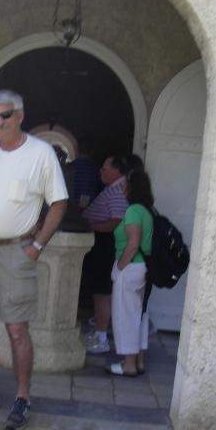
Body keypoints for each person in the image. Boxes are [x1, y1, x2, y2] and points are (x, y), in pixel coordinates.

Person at [0, 90, 68, 430]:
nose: (0, 122)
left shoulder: (41, 154)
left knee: (17, 329)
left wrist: (37, 245)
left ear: (20, 115)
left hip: (17, 251)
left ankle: (23, 398)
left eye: (6, 115)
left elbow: (59, 203)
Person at [106, 169, 154, 376]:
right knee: (139, 315)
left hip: (130, 267)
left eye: (125, 185)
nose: (122, 189)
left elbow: (133, 243)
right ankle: (138, 361)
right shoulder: (148, 211)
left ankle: (129, 364)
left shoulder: (133, 210)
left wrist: (119, 267)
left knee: (125, 316)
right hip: (142, 268)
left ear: (132, 188)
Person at [80, 156, 128, 353]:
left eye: (105, 168)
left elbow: (116, 221)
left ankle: (101, 338)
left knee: (102, 292)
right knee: (98, 290)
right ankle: (99, 333)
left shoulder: (118, 190)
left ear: (117, 171)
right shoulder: (113, 188)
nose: (101, 171)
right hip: (100, 243)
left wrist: (91, 226)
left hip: (104, 244)